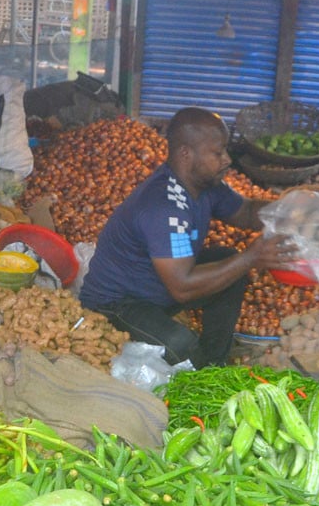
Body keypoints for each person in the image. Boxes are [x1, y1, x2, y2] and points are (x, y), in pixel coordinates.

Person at [79, 107, 296, 369]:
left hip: (157, 286)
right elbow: (182, 288)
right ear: (185, 154)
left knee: (229, 263)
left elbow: (247, 212)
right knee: (181, 344)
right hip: (117, 303)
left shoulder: (205, 186)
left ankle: (214, 362)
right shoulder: (164, 207)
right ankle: (203, 373)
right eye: (218, 153)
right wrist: (251, 257)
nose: (227, 159)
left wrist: (292, 212)